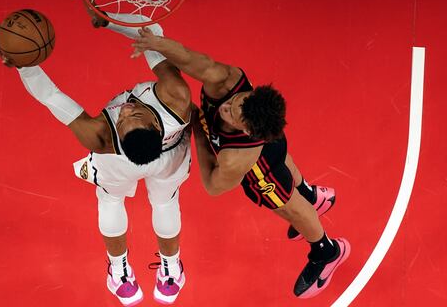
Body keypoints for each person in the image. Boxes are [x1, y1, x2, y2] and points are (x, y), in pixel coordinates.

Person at [0, 10, 191, 306]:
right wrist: (109, 20)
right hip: (171, 155)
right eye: (128, 116)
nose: (123, 111)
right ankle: (170, 272)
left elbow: (51, 96)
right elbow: (152, 33)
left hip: (119, 161)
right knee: (166, 201)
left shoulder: (100, 135)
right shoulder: (175, 96)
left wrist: (23, 66)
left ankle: (120, 273)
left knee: (111, 200)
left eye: (127, 115)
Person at [130, 28, 350, 299]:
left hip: (262, 167)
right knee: (286, 167)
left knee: (289, 207)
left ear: (246, 131)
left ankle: (327, 251)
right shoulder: (227, 81)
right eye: (236, 103)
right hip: (273, 146)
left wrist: (199, 132)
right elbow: (187, 58)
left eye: (233, 116)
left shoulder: (237, 157)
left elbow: (213, 185)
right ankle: (310, 194)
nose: (226, 108)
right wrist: (157, 43)